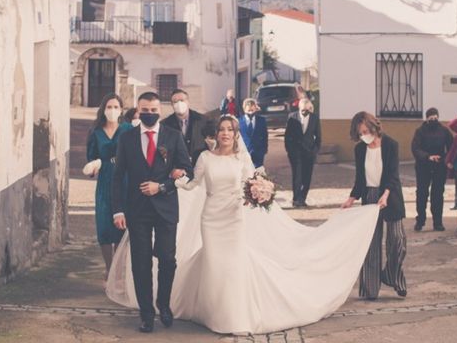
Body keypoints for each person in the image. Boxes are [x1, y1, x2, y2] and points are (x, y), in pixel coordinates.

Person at [107, 115, 380, 334]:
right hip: (211, 218)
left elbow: (253, 183)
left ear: (236, 134)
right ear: (216, 133)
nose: (226, 133)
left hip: (234, 218)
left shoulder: (241, 159)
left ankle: (232, 316)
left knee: (233, 265)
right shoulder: (204, 157)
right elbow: (192, 184)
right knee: (215, 264)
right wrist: (175, 179)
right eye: (222, 129)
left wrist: (262, 192)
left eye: (230, 129)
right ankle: (213, 312)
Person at [111, 92, 193, 333]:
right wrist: (118, 210)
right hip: (137, 210)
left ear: (160, 110)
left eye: (154, 110)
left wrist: (164, 186)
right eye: (144, 110)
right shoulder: (126, 138)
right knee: (141, 262)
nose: (149, 114)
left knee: (167, 259)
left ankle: (163, 304)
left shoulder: (173, 136)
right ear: (138, 111)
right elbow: (118, 177)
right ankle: (146, 314)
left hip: (166, 208)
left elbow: (188, 171)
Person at [341, 111, 407, 300]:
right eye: (360, 133)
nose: (364, 136)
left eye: (365, 131)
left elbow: (392, 175)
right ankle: (370, 289)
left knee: (398, 240)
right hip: (369, 195)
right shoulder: (360, 149)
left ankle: (392, 275)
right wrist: (351, 198)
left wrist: (385, 194)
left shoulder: (391, 144)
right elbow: (360, 179)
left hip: (390, 194)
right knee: (371, 244)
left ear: (373, 127)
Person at [86, 94, 133, 282]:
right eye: (109, 106)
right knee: (105, 226)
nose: (112, 110)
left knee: (122, 228)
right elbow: (91, 158)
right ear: (103, 109)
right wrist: (93, 167)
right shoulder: (96, 132)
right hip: (105, 179)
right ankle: (109, 268)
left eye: (116, 107)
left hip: (126, 178)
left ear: (121, 110)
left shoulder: (128, 129)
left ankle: (119, 270)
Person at [411, 107, 453, 231]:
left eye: (435, 118)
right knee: (422, 194)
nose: (433, 120)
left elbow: (451, 147)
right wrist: (428, 157)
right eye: (431, 118)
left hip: (440, 166)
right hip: (423, 166)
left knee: (438, 195)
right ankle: (420, 220)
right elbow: (415, 148)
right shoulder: (420, 131)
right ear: (427, 118)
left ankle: (438, 222)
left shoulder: (444, 131)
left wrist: (445, 159)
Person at [284, 98, 322, 207]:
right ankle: (296, 199)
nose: (305, 111)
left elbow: (318, 137)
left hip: (309, 152)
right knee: (297, 176)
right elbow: (287, 136)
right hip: (295, 153)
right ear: (299, 108)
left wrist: (315, 150)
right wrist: (289, 150)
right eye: (303, 109)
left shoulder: (314, 118)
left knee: (307, 177)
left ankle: (302, 198)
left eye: (308, 109)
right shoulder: (292, 117)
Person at [161, 89, 208, 162]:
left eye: (182, 100)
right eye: (175, 102)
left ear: (188, 102)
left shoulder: (203, 120)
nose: (179, 104)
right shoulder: (165, 124)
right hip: (177, 168)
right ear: (172, 105)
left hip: (200, 164)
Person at [238, 98, 268, 167]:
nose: (251, 112)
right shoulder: (239, 121)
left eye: (252, 110)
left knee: (258, 172)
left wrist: (264, 150)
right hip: (244, 152)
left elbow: (265, 135)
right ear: (244, 109)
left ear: (255, 109)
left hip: (258, 152)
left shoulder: (261, 120)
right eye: (248, 110)